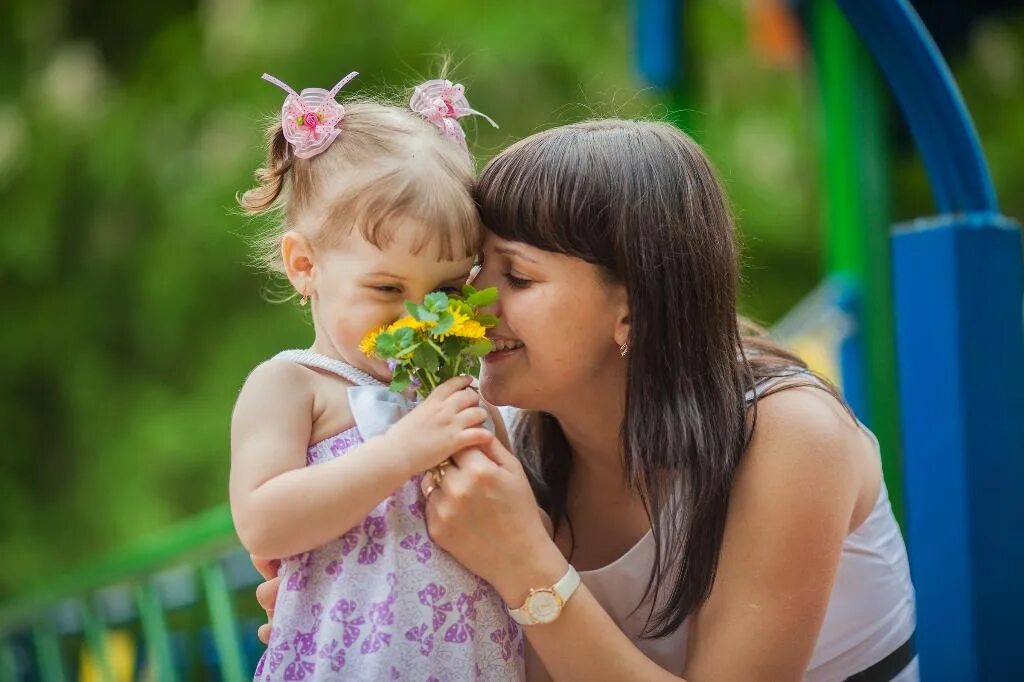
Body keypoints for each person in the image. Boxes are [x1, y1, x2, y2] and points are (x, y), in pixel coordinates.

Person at [256, 119, 917, 681]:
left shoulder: (789, 435)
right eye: (471, 273)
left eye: (515, 274)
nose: (469, 307)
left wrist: (525, 566)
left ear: (632, 308)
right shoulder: (508, 435)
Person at [232, 71, 523, 680]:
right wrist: (402, 453)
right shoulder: (294, 385)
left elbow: (527, 521)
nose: (420, 314)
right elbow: (261, 519)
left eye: (446, 288)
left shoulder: (452, 395)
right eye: (388, 287)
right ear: (305, 265)